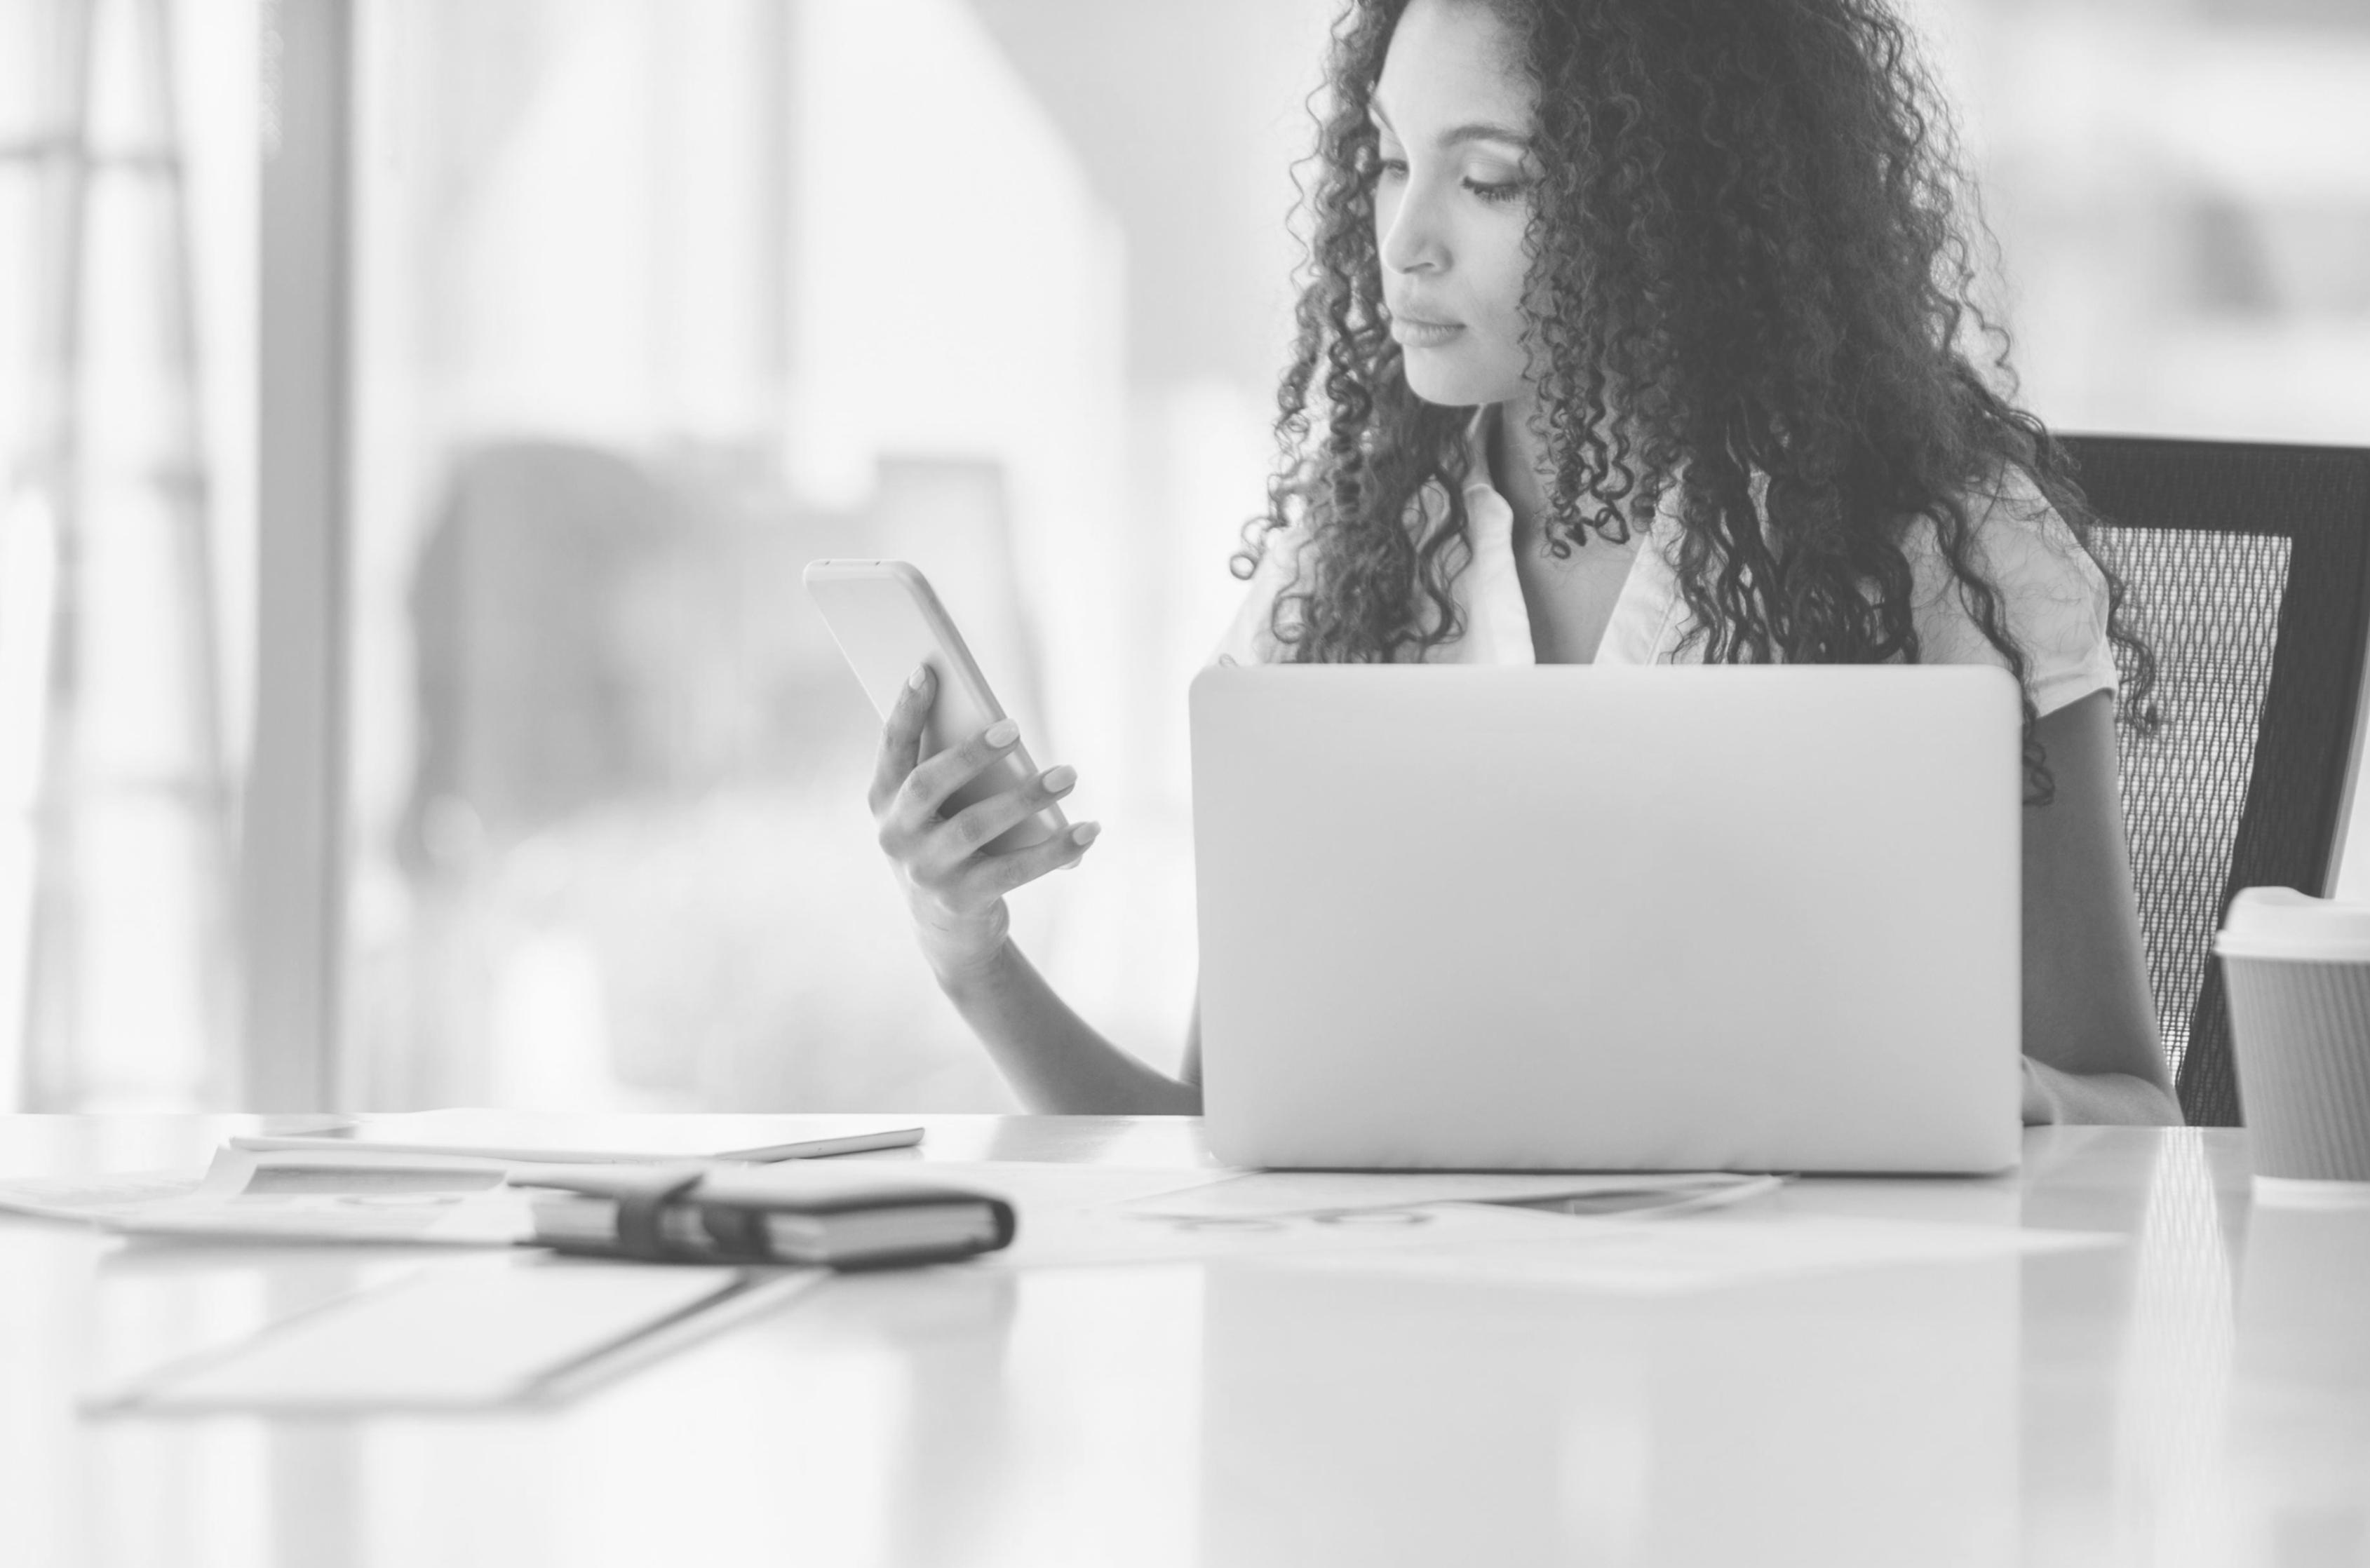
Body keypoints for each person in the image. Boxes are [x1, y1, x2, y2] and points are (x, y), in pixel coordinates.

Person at [866, 0, 2180, 1126]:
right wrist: (973, 957)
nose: (1404, 239)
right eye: (1386, 160)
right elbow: (1219, 1142)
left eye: (1489, 181)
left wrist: (1987, 1100)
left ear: (1668, 206)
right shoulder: (1358, 557)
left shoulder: (1939, 544)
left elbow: (2134, 1114)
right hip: (1444, 1379)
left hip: (1816, 1368)